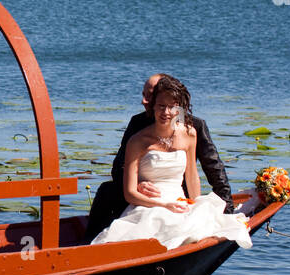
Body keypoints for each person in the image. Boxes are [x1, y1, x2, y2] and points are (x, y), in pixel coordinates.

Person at [90, 75, 251, 251]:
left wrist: (216, 207)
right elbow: (119, 168)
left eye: (149, 94)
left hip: (180, 197)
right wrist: (138, 184)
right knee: (107, 191)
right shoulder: (138, 127)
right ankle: (88, 241)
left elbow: (211, 168)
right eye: (159, 104)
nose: (144, 100)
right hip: (148, 199)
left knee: (202, 220)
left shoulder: (192, 129)